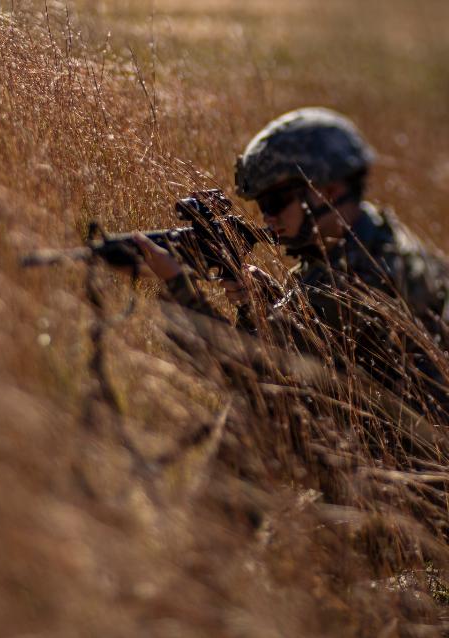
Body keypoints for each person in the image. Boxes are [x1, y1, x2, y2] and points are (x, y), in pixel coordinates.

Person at [130, 107, 449, 412]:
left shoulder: (347, 279)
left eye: (277, 201)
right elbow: (327, 346)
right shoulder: (380, 234)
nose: (268, 218)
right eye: (262, 206)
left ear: (331, 191)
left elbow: (244, 374)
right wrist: (266, 303)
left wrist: (177, 287)